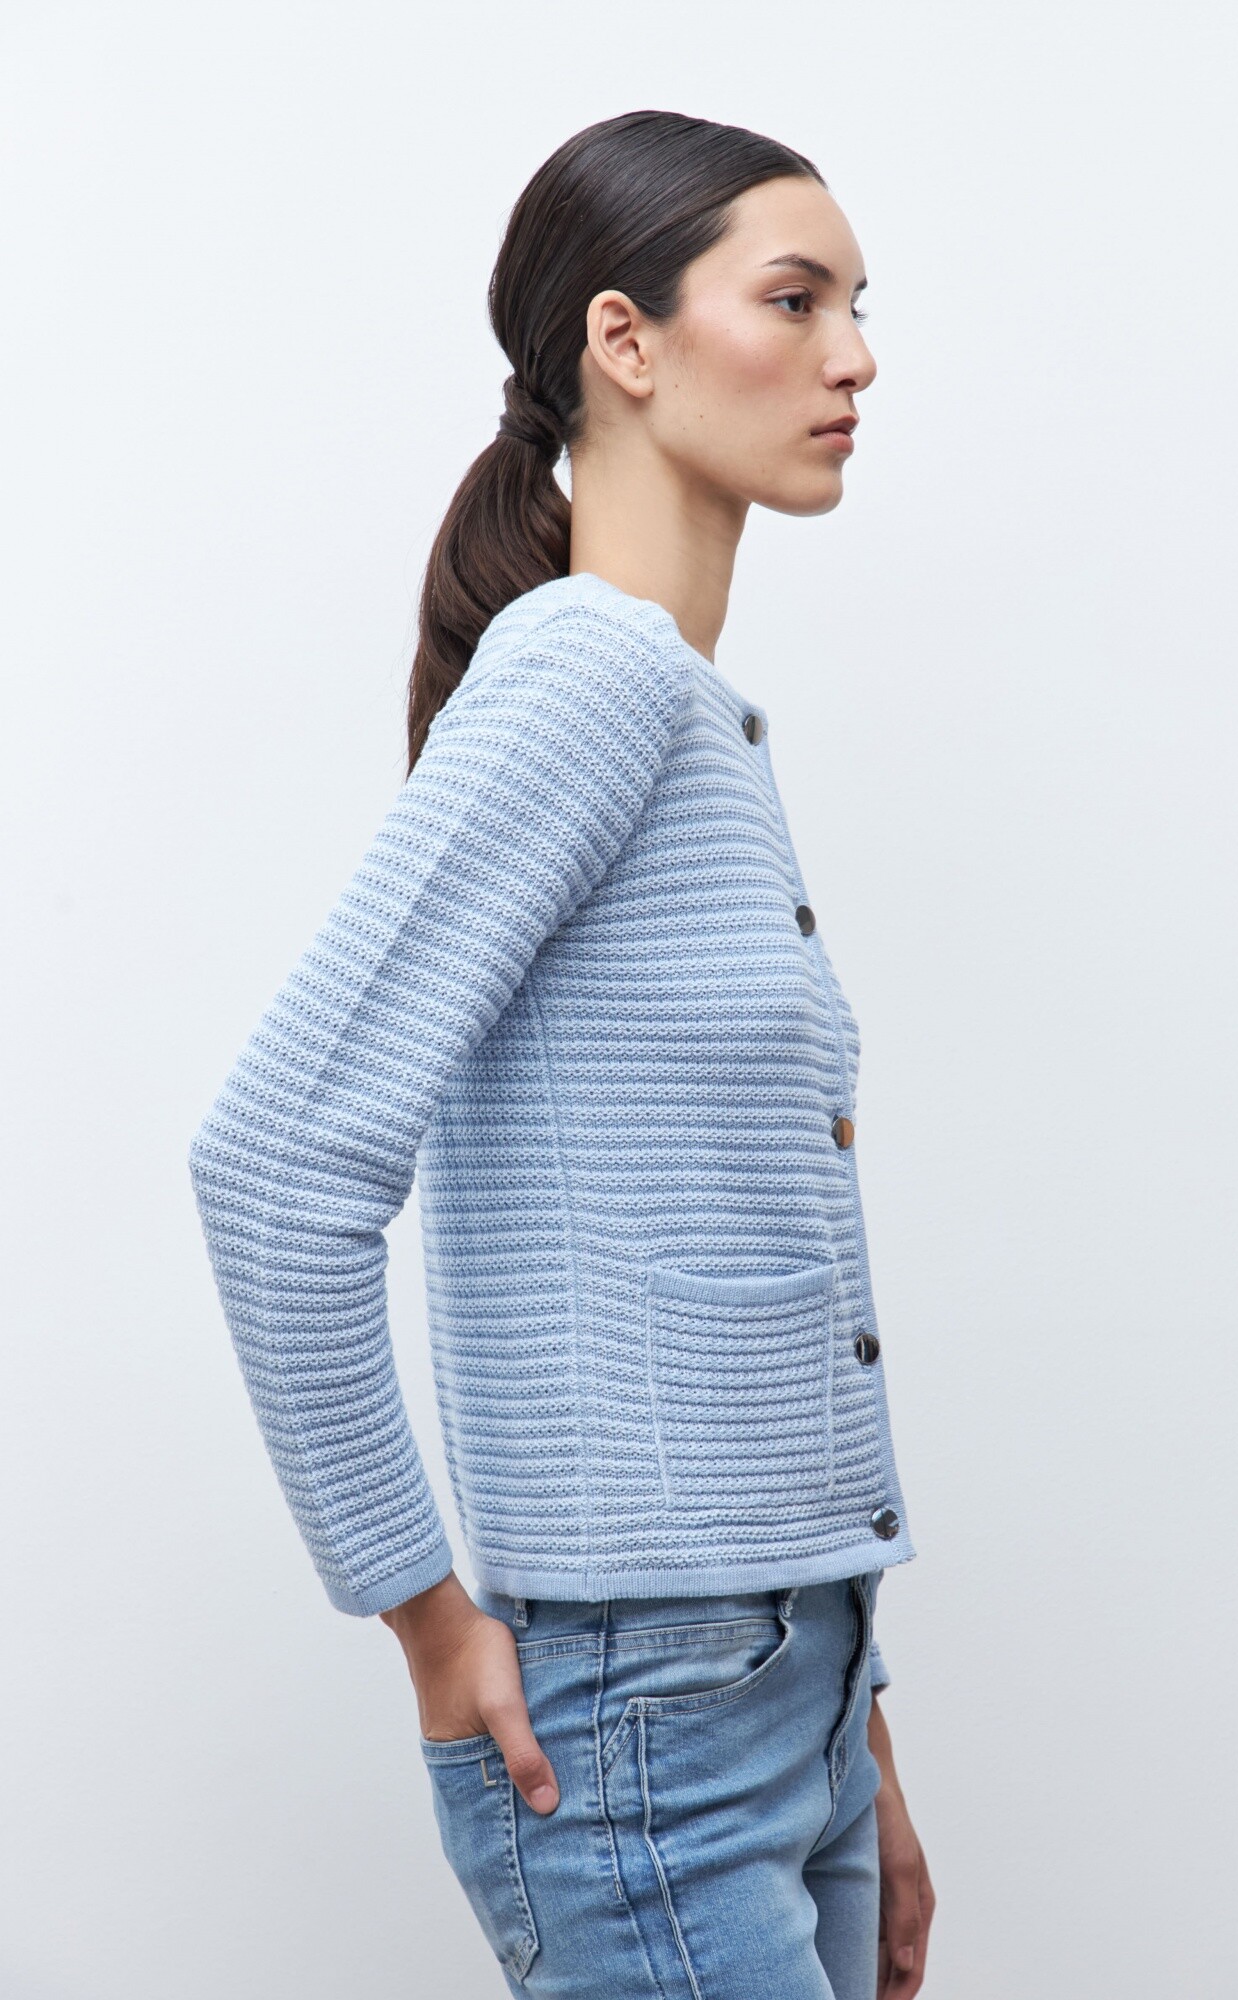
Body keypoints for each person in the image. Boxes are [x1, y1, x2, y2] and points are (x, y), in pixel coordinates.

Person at [188, 108, 936, 1999]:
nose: (856, 357)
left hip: (787, 1685)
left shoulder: (686, 714)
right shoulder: (588, 675)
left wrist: (857, 1728)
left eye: (862, 307)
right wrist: (428, 1624)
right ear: (625, 342)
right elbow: (273, 1163)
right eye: (798, 300)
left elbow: (738, 1260)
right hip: (645, 1718)